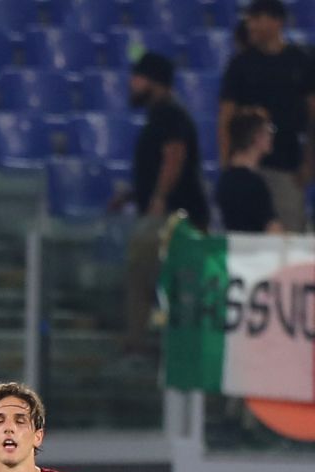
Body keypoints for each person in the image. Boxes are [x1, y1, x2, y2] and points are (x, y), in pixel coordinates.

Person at [122, 51, 212, 356]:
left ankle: (139, 345)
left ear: (155, 82)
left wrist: (159, 198)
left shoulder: (169, 114)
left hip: (174, 217)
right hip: (174, 214)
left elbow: (174, 157)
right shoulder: (162, 115)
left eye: (138, 78)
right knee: (156, 277)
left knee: (144, 271)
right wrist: (133, 194)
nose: (132, 84)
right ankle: (160, 343)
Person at [217, 0, 312, 231]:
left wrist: (310, 163)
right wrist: (227, 164)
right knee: (245, 241)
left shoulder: (300, 62)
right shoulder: (240, 64)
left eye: (257, 19)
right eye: (250, 19)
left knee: (287, 241)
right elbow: (225, 118)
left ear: (277, 22)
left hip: (287, 168)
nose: (251, 26)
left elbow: (313, 117)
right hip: (247, 170)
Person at [218, 109, 283, 231]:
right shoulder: (255, 185)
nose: (272, 136)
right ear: (257, 137)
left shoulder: (225, 180)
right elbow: (273, 230)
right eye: (269, 130)